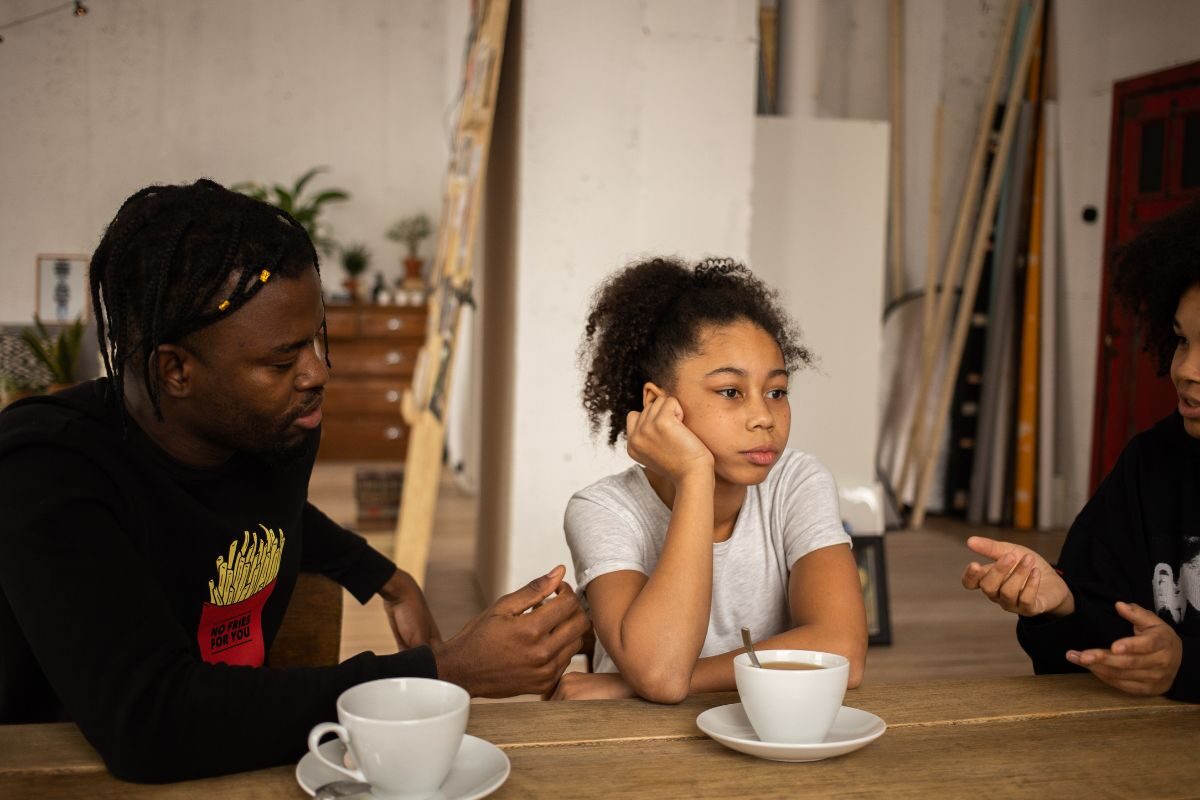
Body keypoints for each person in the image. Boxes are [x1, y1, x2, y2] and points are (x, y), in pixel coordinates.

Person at [0, 180, 589, 782]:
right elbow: (151, 720)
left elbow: (263, 514)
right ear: (175, 369)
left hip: (236, 759)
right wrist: (439, 670)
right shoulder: (46, 469)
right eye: (282, 360)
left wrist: (385, 577)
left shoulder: (274, 428)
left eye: (316, 339)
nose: (317, 371)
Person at [555, 257, 867, 703]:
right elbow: (661, 673)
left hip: (766, 730)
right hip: (637, 747)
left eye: (776, 392)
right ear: (658, 404)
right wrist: (694, 476)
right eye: (730, 392)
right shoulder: (602, 510)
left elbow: (844, 653)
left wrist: (628, 684)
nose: (763, 417)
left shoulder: (797, 482)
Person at [962, 199, 1200, 702]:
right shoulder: (1151, 464)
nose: (1186, 370)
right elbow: (1088, 647)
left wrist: (1186, 665)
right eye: (1182, 341)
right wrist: (1061, 603)